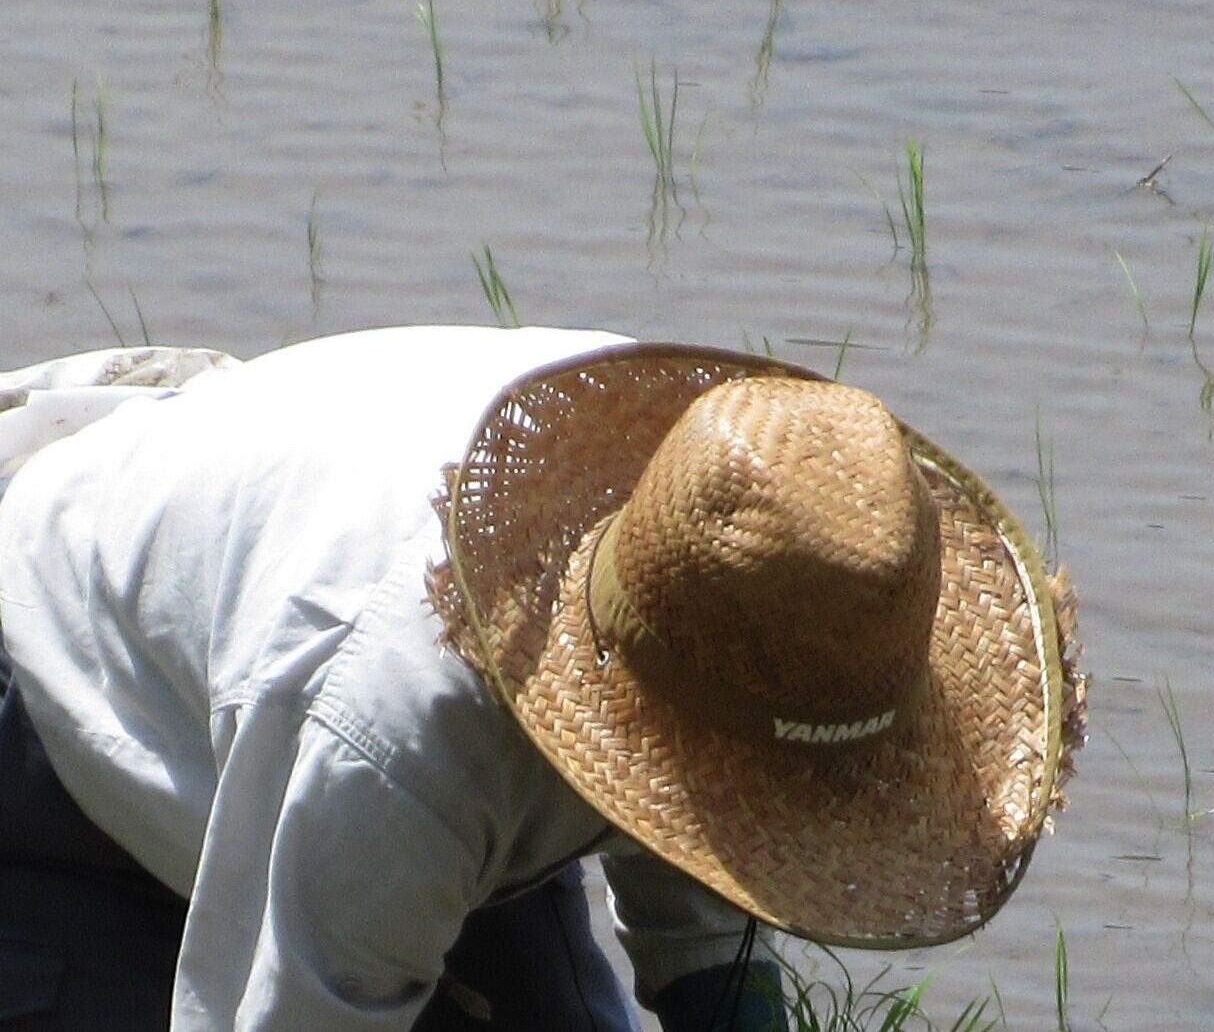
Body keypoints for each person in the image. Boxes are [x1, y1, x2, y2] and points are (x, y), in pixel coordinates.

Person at [0, 325, 1083, 1031]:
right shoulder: (400, 734)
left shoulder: (733, 521)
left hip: (338, 737)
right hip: (72, 725)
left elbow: (721, 809)